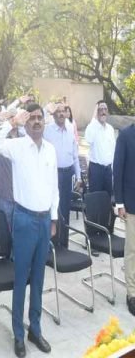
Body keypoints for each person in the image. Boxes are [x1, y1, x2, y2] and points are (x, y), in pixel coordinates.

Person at [0, 104, 58, 357]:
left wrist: (53, 218)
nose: (37, 121)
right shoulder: (17, 146)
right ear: (26, 122)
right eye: (32, 118)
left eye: (40, 117)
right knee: (21, 279)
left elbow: (54, 187)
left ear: (44, 122)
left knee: (39, 279)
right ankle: (18, 334)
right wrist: (13, 122)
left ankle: (35, 330)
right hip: (24, 219)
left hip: (44, 221)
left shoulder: (50, 149)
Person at [43, 102, 82, 248]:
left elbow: (75, 156)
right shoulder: (47, 130)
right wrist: (46, 109)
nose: (61, 113)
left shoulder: (70, 129)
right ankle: (52, 245)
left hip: (68, 175)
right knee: (53, 209)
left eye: (63, 111)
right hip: (53, 175)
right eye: (57, 111)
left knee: (65, 209)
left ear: (66, 113)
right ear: (53, 114)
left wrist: (79, 177)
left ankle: (64, 244)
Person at [114, 123, 135, 315]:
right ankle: (132, 293)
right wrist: (119, 203)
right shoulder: (126, 136)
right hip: (131, 204)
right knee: (132, 251)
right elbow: (118, 170)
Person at [87, 101, 117, 196]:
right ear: (96, 112)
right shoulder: (92, 127)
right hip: (96, 170)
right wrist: (94, 118)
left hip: (108, 170)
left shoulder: (110, 129)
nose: (103, 112)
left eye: (105, 109)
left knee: (107, 198)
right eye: (100, 109)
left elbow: (113, 150)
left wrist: (113, 171)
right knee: (95, 199)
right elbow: (88, 139)